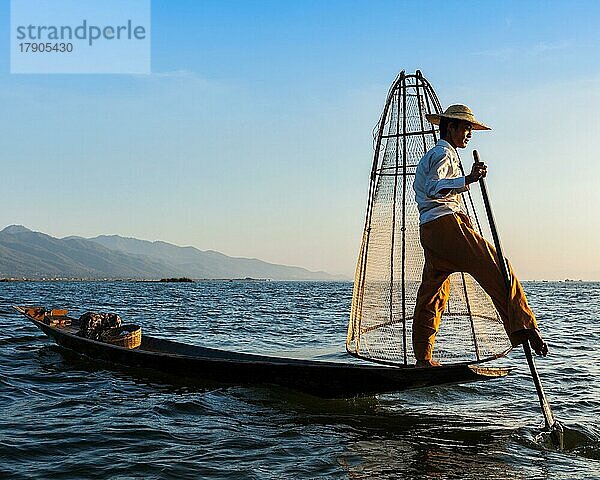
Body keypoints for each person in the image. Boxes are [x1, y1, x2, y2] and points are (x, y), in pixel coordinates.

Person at [412, 104, 548, 368]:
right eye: (465, 128)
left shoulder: (441, 154)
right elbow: (432, 188)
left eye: (470, 129)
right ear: (450, 127)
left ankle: (423, 358)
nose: (469, 134)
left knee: (433, 293)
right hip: (445, 226)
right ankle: (524, 326)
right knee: (498, 267)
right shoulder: (443, 153)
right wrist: (469, 178)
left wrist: (465, 181)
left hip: (430, 231)